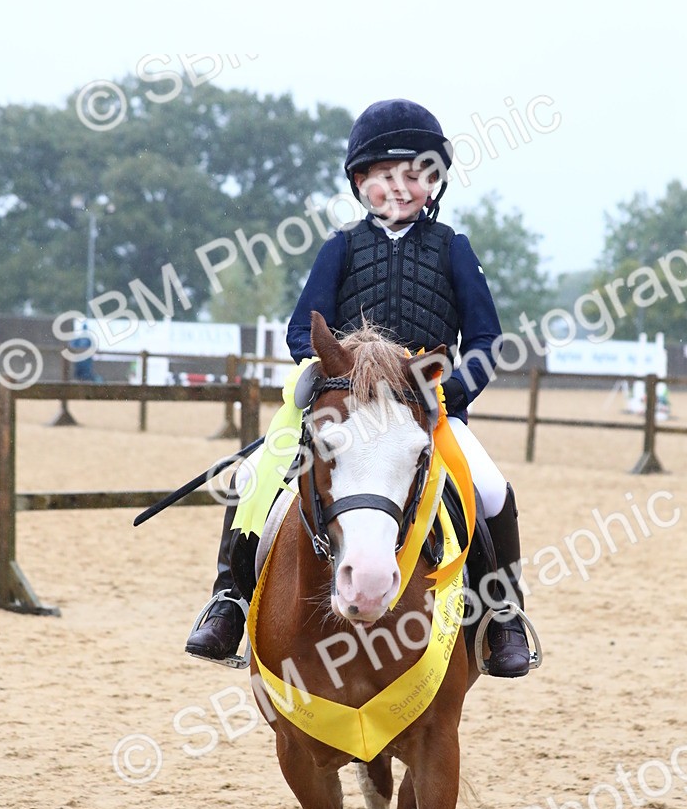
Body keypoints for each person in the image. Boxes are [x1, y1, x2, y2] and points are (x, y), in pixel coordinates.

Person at [185, 99, 532, 678]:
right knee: (254, 477)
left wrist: (449, 394)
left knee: (493, 491)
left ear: (434, 182)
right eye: (385, 176)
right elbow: (303, 328)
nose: (401, 188)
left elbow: (487, 340)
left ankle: (502, 615)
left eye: (417, 175)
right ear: (360, 182)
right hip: (346, 410)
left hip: (426, 410)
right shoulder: (340, 247)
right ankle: (230, 599)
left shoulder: (454, 248)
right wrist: (333, 375)